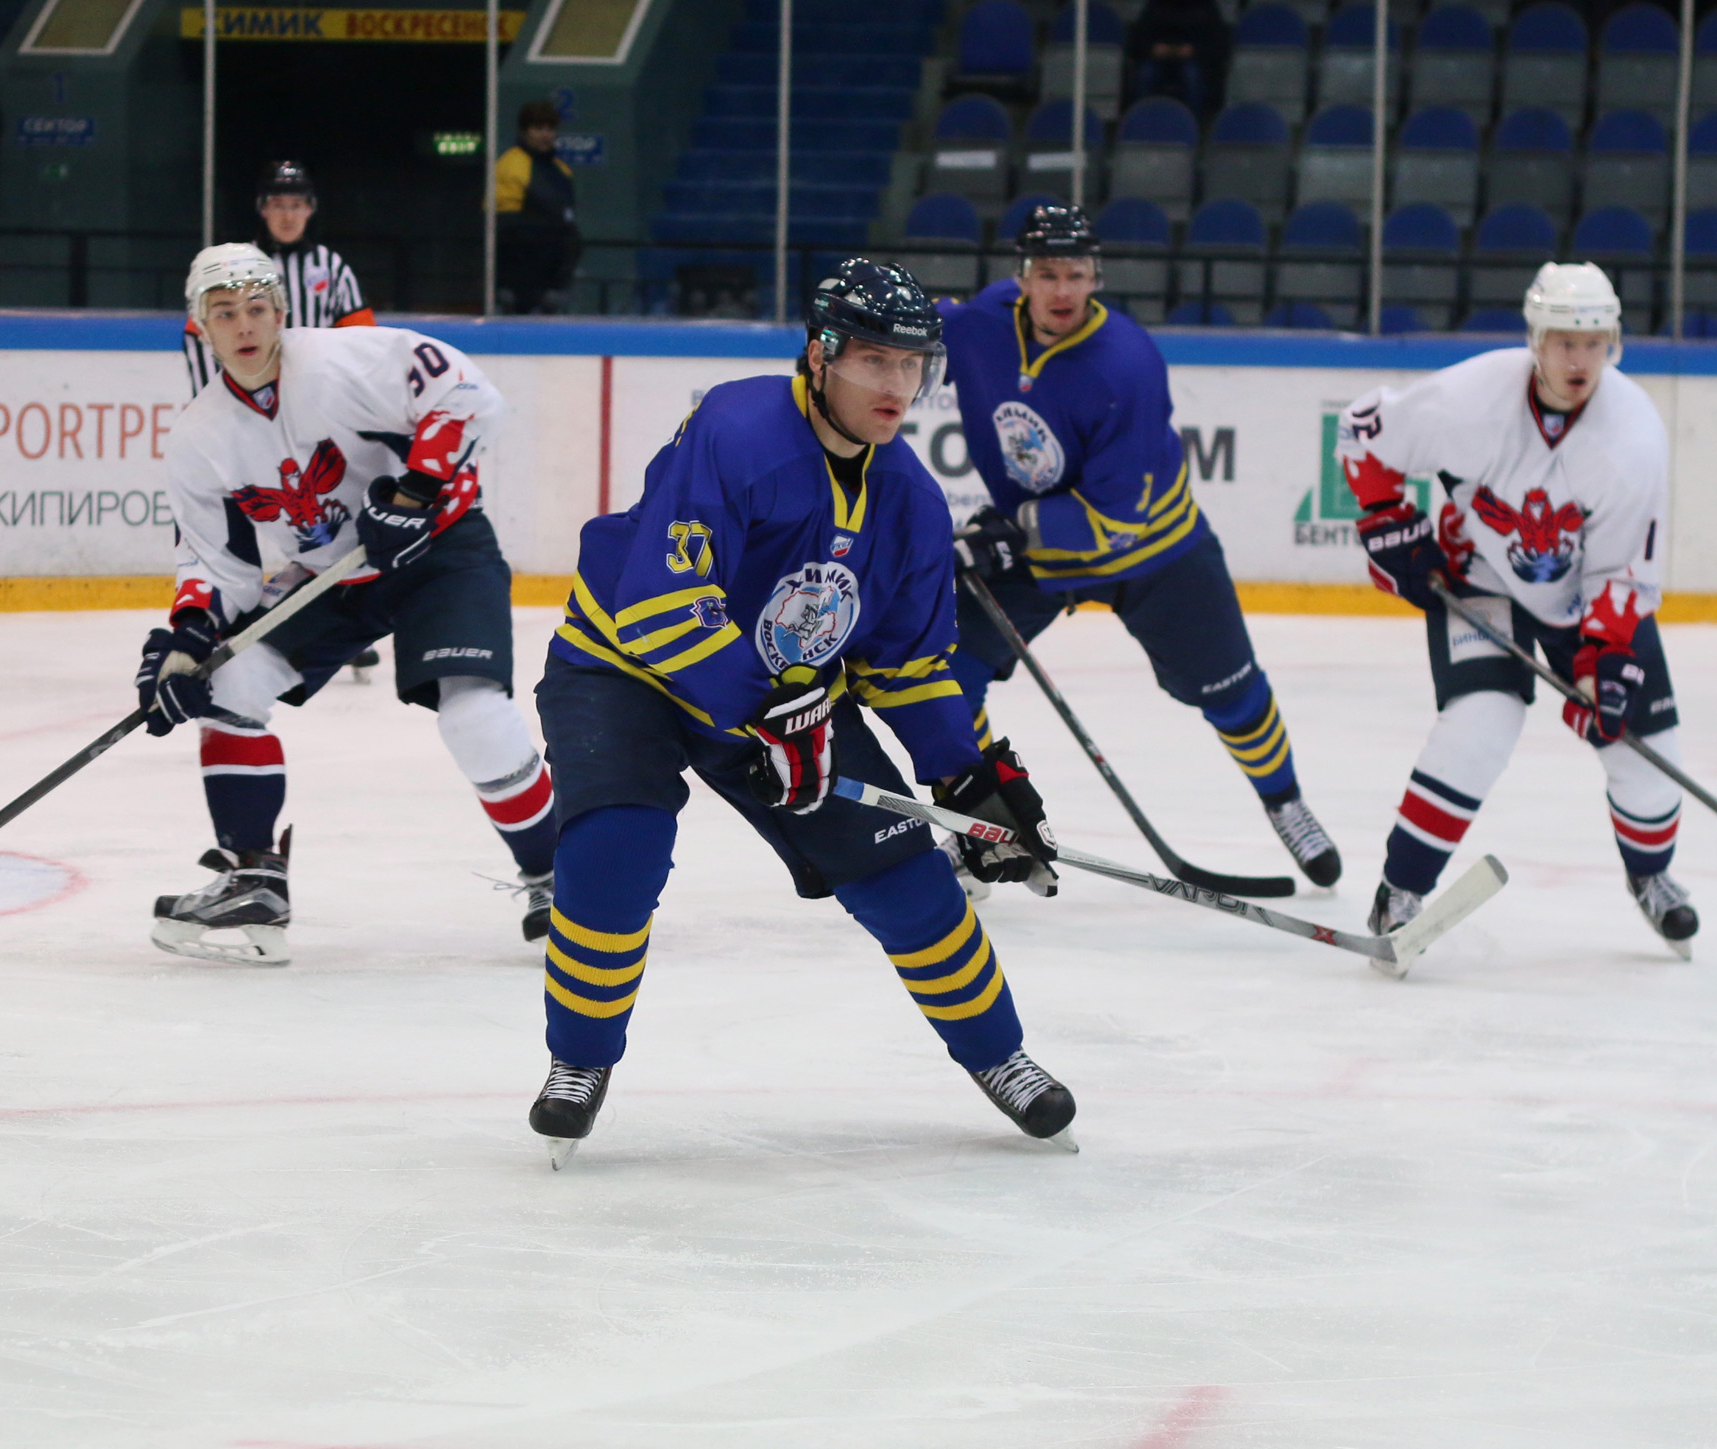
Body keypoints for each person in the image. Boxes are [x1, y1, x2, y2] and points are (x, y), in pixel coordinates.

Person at [524, 257, 1077, 1168]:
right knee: (615, 848)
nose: (897, 385)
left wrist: (968, 778)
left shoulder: (911, 501)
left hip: (786, 699)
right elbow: (662, 604)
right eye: (874, 360)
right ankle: (579, 1059)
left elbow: (905, 664)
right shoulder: (738, 429)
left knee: (907, 875)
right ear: (820, 356)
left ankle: (1000, 1054)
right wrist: (773, 712)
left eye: (912, 365)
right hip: (625, 669)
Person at [137, 245, 556, 966]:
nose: (244, 326)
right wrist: (186, 640)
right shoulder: (199, 436)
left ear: (281, 311)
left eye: (257, 308)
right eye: (225, 313)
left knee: (472, 715)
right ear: (200, 327)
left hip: (439, 546)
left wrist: (415, 495)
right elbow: (215, 562)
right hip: (333, 574)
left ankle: (559, 874)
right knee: (229, 686)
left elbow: (462, 392)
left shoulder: (343, 361)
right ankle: (253, 876)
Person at [935, 204, 1341, 892]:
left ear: (1097, 278)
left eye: (1076, 274)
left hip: (1154, 552)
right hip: (1036, 553)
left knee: (1231, 693)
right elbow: (919, 333)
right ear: (1021, 277)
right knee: (947, 671)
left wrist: (1008, 536)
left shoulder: (1126, 364)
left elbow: (1115, 517)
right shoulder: (984, 324)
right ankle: (986, 825)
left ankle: (1285, 801)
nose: (1062, 290)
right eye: (1047, 274)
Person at [1337, 262, 1695, 953]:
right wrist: (1386, 517)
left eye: (1594, 343)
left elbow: (1622, 570)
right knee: (1481, 722)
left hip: (1583, 598)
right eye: (1564, 342)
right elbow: (1363, 431)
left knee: (1646, 755)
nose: (1579, 360)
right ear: (1535, 339)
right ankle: (1400, 893)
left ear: (1614, 344)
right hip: (1478, 577)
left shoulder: (1634, 436)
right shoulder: (1471, 397)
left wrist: (1601, 662)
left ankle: (1651, 876)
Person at [181, 161, 375, 398]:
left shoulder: (332, 268)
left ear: (310, 209)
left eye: (296, 205)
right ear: (263, 209)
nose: (288, 216)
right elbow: (199, 332)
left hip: (316, 399)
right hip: (247, 398)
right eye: (278, 205)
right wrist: (214, 398)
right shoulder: (232, 265)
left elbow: (363, 341)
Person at [494, 99, 580, 315]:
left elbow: (568, 227)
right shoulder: (512, 165)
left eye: (550, 129)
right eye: (538, 128)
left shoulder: (562, 171)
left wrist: (563, 274)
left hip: (553, 281)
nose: (545, 135)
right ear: (525, 131)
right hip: (520, 281)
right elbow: (504, 228)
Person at [1123, 0, 1232, 119]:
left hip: (1195, 60)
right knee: (1146, 74)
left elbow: (1219, 46)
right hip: (1156, 59)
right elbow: (1136, 43)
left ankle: (1193, 122)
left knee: (1192, 75)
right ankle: (1141, 120)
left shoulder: (1206, 7)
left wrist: (1194, 51)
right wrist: (1153, 49)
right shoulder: (1155, 6)